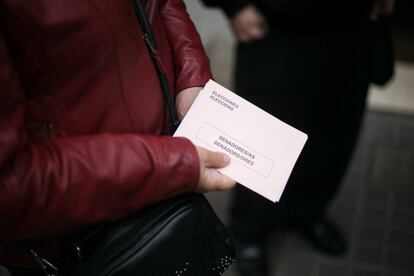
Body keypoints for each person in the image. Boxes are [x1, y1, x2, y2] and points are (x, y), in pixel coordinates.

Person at [0, 0, 236, 275]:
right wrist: (171, 165)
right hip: (80, 230)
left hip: (168, 173)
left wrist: (191, 73)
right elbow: (10, 185)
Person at [201, 0, 394, 275]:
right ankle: (249, 231)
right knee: (264, 142)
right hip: (276, 25)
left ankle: (307, 211)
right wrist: (235, 5)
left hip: (354, 26)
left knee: (335, 133)